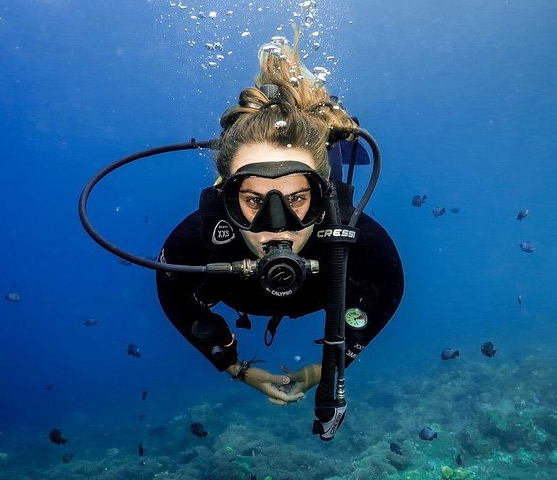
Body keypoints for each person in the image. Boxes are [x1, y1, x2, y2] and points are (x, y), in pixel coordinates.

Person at [156, 31, 404, 406]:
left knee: (324, 149)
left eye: (298, 198)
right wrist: (236, 367)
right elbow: (173, 294)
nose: (278, 223)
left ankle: (314, 116)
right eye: (254, 198)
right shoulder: (196, 241)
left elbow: (388, 290)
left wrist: (330, 367)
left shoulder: (351, 235)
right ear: (227, 196)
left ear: (322, 196)